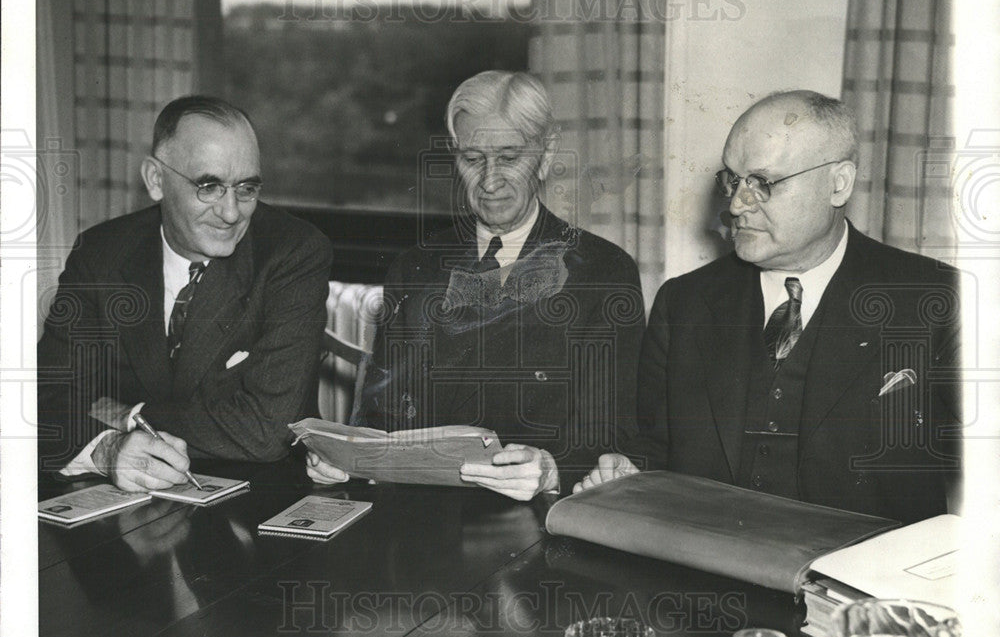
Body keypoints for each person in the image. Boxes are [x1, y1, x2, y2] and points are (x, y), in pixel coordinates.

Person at [575, 90, 961, 524]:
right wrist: (628, 473)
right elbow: (654, 447)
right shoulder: (683, 303)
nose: (737, 204)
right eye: (733, 180)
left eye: (764, 183)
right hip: (712, 579)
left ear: (839, 184)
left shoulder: (937, 300)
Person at [307, 71, 645, 499]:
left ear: (545, 155)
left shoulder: (603, 273)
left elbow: (616, 435)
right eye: (472, 158)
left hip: (537, 517)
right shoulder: (413, 268)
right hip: (415, 515)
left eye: (508, 157)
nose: (489, 181)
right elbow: (379, 415)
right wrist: (345, 459)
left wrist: (551, 469)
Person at [37, 95, 333, 492]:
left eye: (246, 188)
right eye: (209, 186)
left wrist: (128, 417)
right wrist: (107, 449)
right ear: (156, 180)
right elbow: (43, 400)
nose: (231, 212)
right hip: (126, 498)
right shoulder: (101, 254)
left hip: (259, 496)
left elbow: (267, 431)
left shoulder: (293, 253)